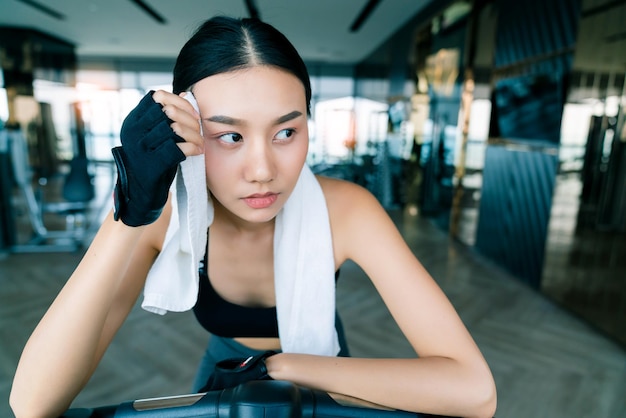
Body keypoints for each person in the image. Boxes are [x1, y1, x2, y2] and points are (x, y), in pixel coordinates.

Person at [10, 16, 496, 418]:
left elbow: (474, 391)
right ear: (189, 134)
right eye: (230, 136)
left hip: (325, 363)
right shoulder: (163, 216)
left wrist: (280, 368)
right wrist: (129, 211)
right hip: (225, 367)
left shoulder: (347, 209)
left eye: (286, 132)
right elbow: (33, 404)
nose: (263, 171)